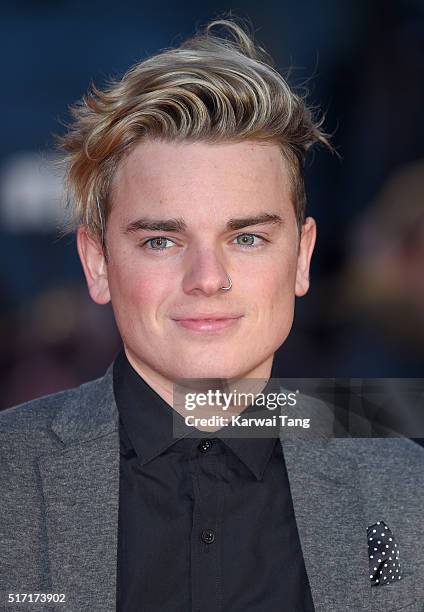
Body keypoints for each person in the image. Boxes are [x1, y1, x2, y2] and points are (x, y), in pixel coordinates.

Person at [0, 18, 423, 612]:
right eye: (161, 241)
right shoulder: (9, 483)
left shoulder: (406, 495)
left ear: (301, 257)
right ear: (97, 262)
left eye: (246, 238)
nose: (207, 279)